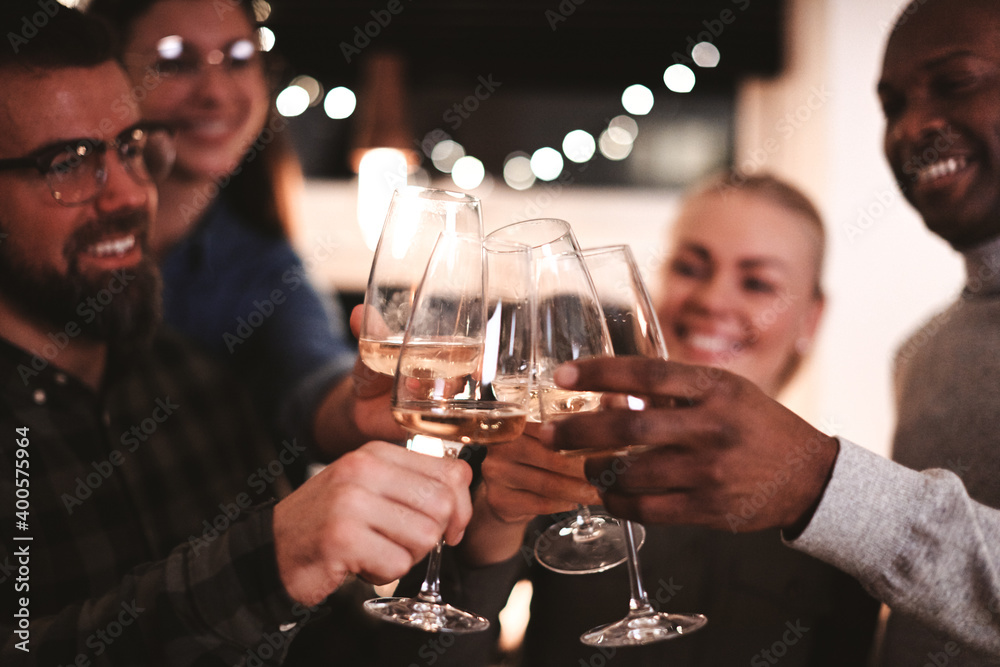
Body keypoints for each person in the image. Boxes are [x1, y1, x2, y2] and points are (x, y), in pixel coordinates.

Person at [0, 7, 471, 663]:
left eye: (131, 148)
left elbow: (343, 645)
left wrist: (494, 526)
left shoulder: (198, 378)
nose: (127, 195)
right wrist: (270, 559)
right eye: (66, 163)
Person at [540, 0, 1000, 660]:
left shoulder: (817, 527)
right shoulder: (923, 355)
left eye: (956, 82)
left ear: (812, 318)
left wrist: (820, 483)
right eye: (891, 104)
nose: (912, 128)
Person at [436, 173, 877, 666]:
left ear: (811, 320)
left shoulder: (839, 519)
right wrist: (494, 523)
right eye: (691, 267)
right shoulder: (556, 455)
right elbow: (429, 655)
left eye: (756, 283)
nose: (711, 301)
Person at [86, 0, 401, 474]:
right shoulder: (53, 246)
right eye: (175, 62)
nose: (216, 91)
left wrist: (360, 406)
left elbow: (309, 376)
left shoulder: (256, 259)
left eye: (237, 59)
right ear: (105, 77)